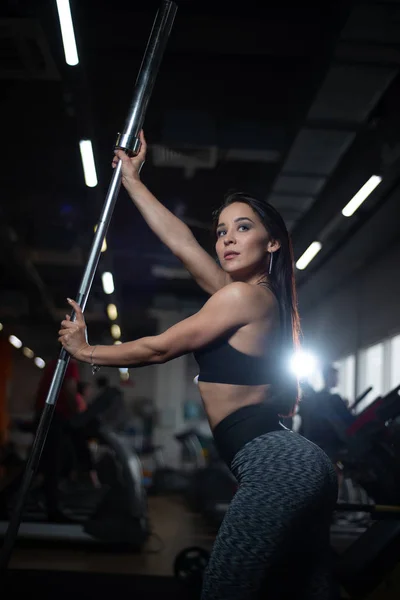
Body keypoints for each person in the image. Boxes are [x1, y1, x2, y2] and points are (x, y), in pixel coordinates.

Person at [58, 131, 339, 599]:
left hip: (277, 465)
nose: (227, 238)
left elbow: (159, 348)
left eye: (243, 228)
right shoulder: (259, 299)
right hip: (300, 462)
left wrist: (87, 351)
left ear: (272, 243)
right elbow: (183, 245)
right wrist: (131, 181)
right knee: (303, 590)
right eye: (223, 231)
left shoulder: (240, 298)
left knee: (225, 588)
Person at [34, 358, 81, 522]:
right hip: (54, 417)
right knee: (52, 464)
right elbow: (69, 388)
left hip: (46, 415)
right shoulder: (69, 362)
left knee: (43, 463)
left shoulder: (56, 361)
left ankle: (48, 501)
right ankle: (52, 508)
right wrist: (76, 413)